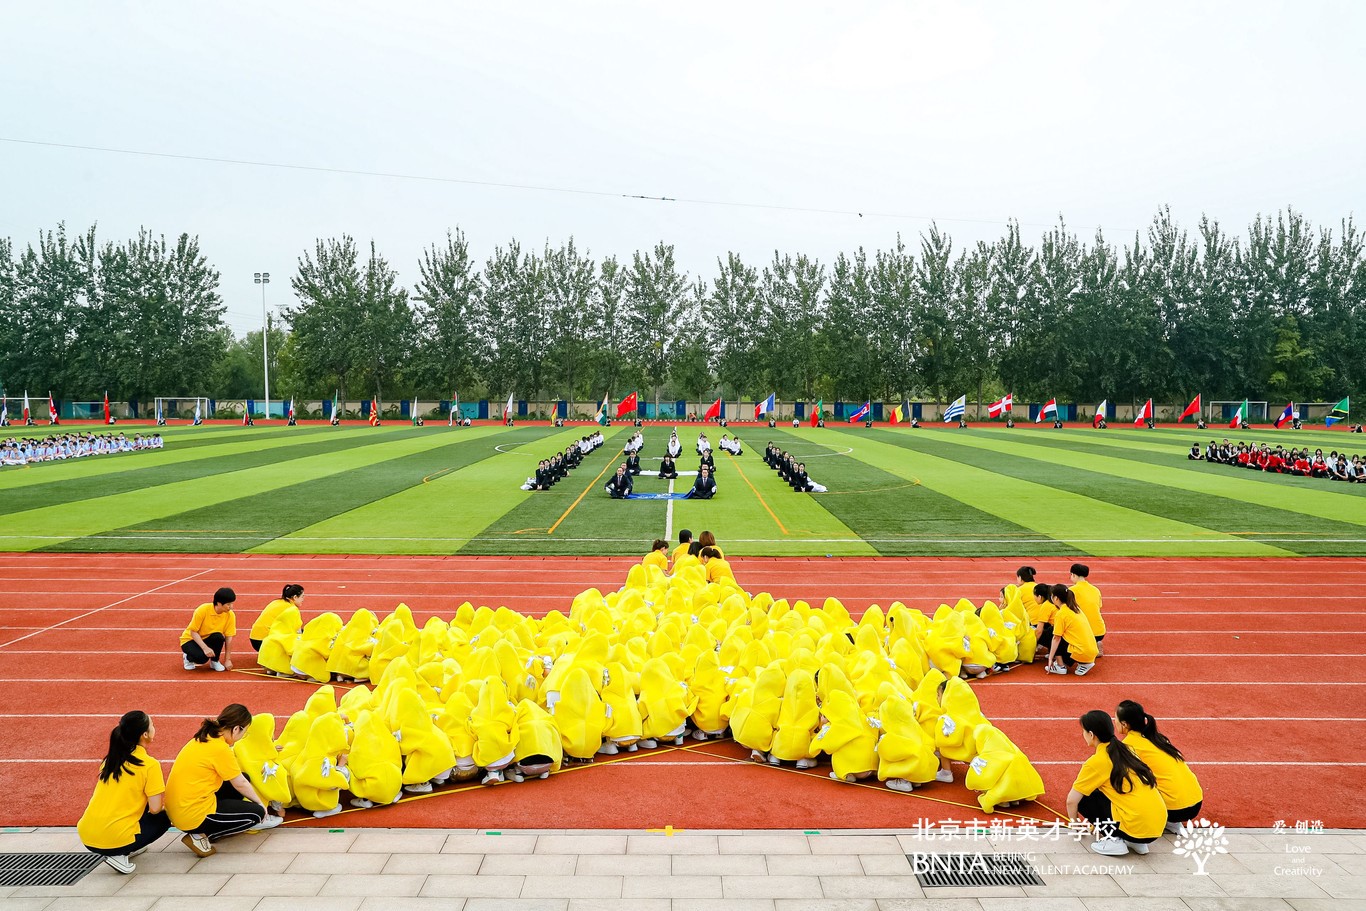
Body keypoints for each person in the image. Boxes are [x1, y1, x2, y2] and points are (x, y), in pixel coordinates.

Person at [165, 704, 280, 857]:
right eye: (244, 732)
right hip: (192, 814)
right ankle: (201, 834)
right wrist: (260, 804)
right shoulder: (220, 749)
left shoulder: (206, 736)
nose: (242, 737)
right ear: (236, 729)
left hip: (179, 807)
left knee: (244, 777)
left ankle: (208, 828)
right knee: (256, 815)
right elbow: (240, 784)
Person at [77, 711, 171, 874]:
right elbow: (155, 808)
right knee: (165, 817)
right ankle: (119, 853)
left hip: (86, 835)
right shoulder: (150, 765)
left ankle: (126, 847)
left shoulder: (110, 760)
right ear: (145, 734)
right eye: (153, 725)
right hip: (113, 838)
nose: (155, 728)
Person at [1067, 710, 1166, 856]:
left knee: (1085, 799)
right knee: (1104, 792)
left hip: (1137, 825)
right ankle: (1135, 842)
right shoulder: (1127, 749)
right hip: (1156, 827)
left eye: (1083, 731)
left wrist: (1075, 825)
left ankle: (1114, 839)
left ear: (1091, 734)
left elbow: (1071, 801)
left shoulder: (1097, 762)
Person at [1115, 700, 1204, 834]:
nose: (1114, 722)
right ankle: (1172, 822)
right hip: (1196, 802)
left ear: (1124, 724)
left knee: (1126, 784)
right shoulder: (1159, 738)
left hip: (1175, 809)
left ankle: (1134, 832)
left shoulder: (1129, 745)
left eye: (1115, 718)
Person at [1042, 585, 1098, 676]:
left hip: (1081, 652)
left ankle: (1060, 666)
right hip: (1092, 651)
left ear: (1056, 598)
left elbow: (1056, 638)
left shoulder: (1061, 614)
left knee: (1051, 634)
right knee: (1059, 633)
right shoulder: (1076, 608)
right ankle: (1084, 663)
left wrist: (1050, 659)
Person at [181, 588, 238, 672]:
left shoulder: (230, 615)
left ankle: (214, 661)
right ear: (219, 603)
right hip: (191, 639)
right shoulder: (202, 610)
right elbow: (193, 632)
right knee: (202, 659)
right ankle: (188, 658)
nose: (231, 607)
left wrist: (227, 660)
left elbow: (228, 638)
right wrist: (205, 648)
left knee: (218, 637)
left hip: (208, 638)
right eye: (228, 604)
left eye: (232, 603)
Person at [249, 584, 304, 653]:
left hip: (254, 639)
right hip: (264, 642)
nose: (303, 600)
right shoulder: (292, 609)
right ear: (295, 597)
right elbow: (298, 632)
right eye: (302, 597)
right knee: (301, 636)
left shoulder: (276, 602)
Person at [1069, 564, 1106, 655]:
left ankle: (1089, 646)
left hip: (1083, 631)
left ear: (1074, 575)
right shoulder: (1095, 590)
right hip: (1100, 631)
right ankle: (1096, 642)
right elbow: (1098, 606)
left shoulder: (1072, 590)